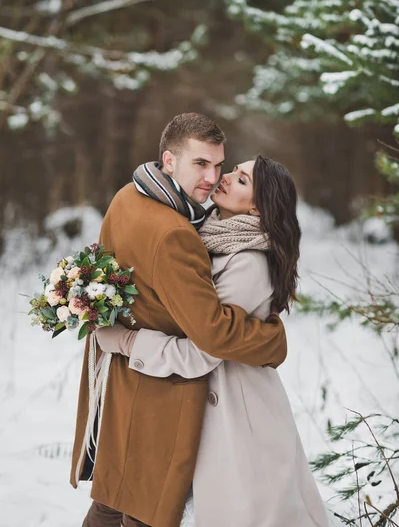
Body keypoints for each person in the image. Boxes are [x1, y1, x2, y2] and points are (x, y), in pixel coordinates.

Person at [71, 113, 287, 527]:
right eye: (200, 164)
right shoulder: (177, 233)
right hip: (164, 394)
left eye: (221, 165)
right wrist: (271, 340)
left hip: (125, 386)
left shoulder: (127, 197)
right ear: (169, 161)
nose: (213, 177)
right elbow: (213, 335)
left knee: (114, 503)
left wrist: (117, 339)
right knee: (145, 512)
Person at [97, 156, 330, 527]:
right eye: (233, 171)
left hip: (236, 412)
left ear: (256, 205)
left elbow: (203, 352)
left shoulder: (248, 262)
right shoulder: (206, 232)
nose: (224, 179)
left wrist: (126, 341)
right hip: (190, 400)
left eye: (241, 180)